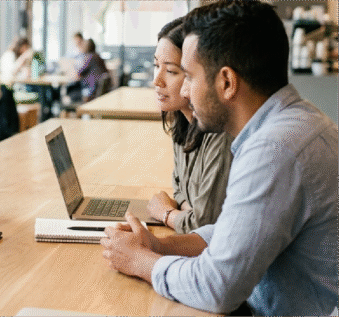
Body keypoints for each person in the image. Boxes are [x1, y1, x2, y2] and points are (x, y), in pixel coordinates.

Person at [101, 0, 338, 315]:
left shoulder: (275, 150)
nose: (184, 91)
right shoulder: (293, 122)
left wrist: (141, 261)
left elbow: (216, 287)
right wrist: (160, 246)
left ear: (226, 82)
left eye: (188, 76)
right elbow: (236, 231)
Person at [147, 17, 233, 234]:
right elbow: (178, 189)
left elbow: (204, 225)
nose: (157, 80)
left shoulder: (220, 132)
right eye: (156, 65)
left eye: (172, 71)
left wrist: (167, 214)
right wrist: (188, 211)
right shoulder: (181, 122)